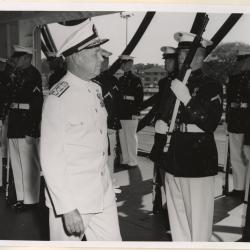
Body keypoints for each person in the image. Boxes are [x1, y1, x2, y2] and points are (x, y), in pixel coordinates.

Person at [40, 19, 122, 241]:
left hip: (101, 191)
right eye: (95, 53)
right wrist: (66, 207)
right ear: (76, 56)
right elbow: (50, 158)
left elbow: (96, 139)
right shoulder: (58, 99)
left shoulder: (95, 89)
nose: (102, 58)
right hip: (73, 199)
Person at [153, 32, 223, 241]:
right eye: (181, 54)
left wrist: (187, 99)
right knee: (178, 219)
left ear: (200, 57)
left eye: (187, 54)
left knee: (198, 221)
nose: (182, 58)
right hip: (174, 157)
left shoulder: (211, 84)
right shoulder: (173, 83)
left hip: (197, 160)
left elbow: (209, 122)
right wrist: (161, 125)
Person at [6, 45, 43, 210]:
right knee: (17, 163)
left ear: (27, 58)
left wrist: (33, 129)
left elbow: (36, 105)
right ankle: (21, 198)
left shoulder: (33, 75)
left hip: (27, 124)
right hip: (15, 124)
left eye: (18, 58)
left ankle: (31, 199)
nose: (15, 60)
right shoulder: (18, 74)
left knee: (29, 165)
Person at [152, 46, 177, 218]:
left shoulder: (180, 83)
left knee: (170, 171)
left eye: (169, 60)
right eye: (165, 60)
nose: (166, 63)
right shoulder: (163, 83)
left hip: (171, 131)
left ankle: (171, 207)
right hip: (160, 131)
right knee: (160, 168)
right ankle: (160, 202)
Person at [94, 49, 122, 193]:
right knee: (100, 155)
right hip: (98, 125)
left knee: (110, 155)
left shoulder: (112, 80)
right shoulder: (92, 80)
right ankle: (102, 184)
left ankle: (109, 183)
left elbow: (116, 104)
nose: (103, 62)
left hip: (109, 124)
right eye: (102, 59)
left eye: (106, 60)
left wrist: (113, 122)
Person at [226, 53, 250, 199]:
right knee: (236, 156)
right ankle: (239, 187)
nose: (240, 64)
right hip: (235, 120)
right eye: (239, 61)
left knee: (247, 157)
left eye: (244, 60)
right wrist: (228, 119)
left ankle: (247, 188)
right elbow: (229, 101)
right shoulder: (234, 79)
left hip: (247, 121)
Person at [118, 55, 144, 169]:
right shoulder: (121, 79)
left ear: (130, 65)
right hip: (122, 112)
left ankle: (133, 160)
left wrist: (136, 112)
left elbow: (139, 98)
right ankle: (126, 159)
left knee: (131, 137)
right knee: (123, 136)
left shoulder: (136, 79)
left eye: (127, 64)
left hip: (131, 111)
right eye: (123, 64)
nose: (124, 66)